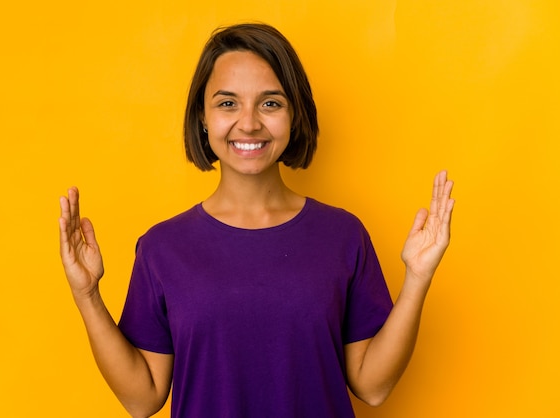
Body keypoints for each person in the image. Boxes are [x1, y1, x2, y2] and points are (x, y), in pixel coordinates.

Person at [59, 23, 455, 418]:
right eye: (227, 103)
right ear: (202, 115)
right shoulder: (162, 247)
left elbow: (372, 386)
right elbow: (141, 399)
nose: (248, 123)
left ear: (295, 114)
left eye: (270, 103)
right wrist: (88, 296)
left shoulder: (342, 236)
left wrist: (417, 279)